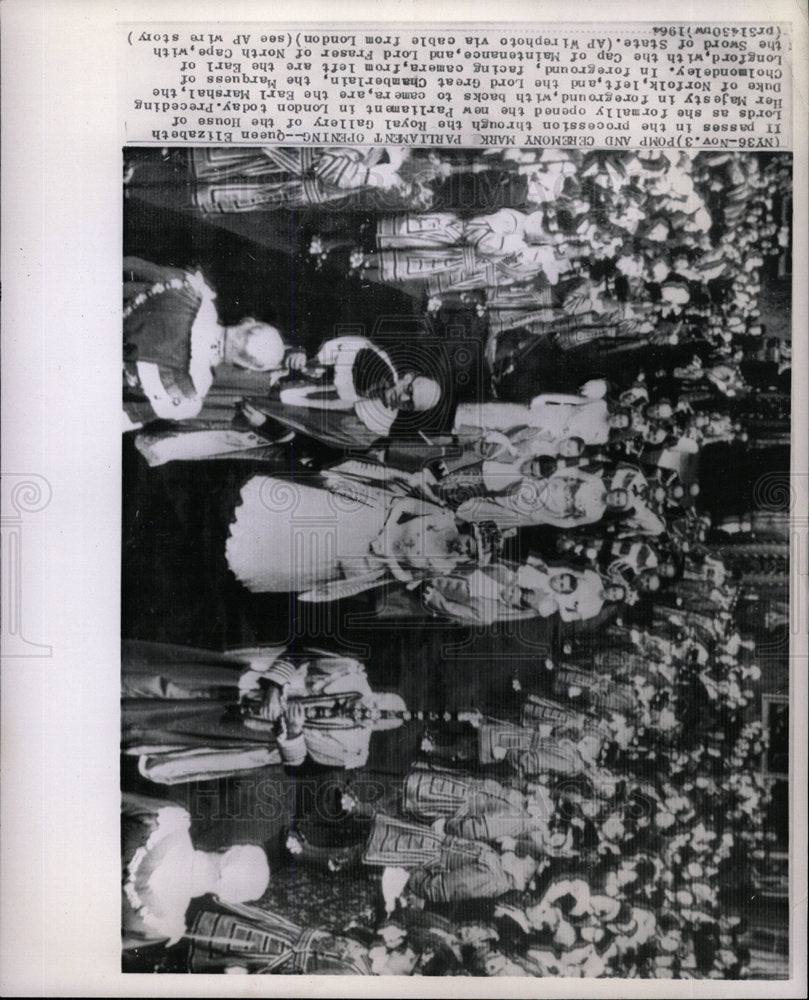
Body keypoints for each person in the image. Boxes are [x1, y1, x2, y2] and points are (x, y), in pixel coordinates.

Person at [121, 641, 406, 781]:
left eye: (373, 721)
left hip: (248, 732)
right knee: (175, 682)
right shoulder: (349, 672)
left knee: (169, 726)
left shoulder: (352, 751)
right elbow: (301, 649)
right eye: (374, 706)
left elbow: (300, 771)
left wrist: (293, 736)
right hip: (248, 682)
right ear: (376, 694)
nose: (366, 713)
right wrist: (273, 686)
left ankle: (119, 723)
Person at [224, 459, 481, 597]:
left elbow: (405, 577)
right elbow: (404, 506)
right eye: (468, 543)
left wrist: (388, 557)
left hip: (376, 558)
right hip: (376, 521)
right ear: (467, 532)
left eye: (468, 554)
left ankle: (252, 555)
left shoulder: (443, 566)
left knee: (317, 555)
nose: (463, 549)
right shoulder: (442, 518)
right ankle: (256, 522)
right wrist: (386, 535)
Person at [122, 256, 300, 429]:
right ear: (245, 370)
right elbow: (121, 417)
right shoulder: (189, 398)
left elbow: (127, 264)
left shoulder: (191, 288)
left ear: (247, 321)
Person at [239, 333, 444, 451]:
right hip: (255, 375)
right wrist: (301, 350)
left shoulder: (367, 435)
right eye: (408, 389)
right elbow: (319, 341)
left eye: (409, 403)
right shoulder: (372, 357)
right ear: (408, 376)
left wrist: (265, 425)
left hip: (250, 420)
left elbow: (308, 447)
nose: (402, 397)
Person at [121, 792, 270, 949]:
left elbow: (109, 798)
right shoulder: (166, 927)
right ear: (225, 898)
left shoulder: (172, 819)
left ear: (226, 849)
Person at [186, 898, 417, 975]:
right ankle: (190, 915)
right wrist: (375, 942)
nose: (405, 952)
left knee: (227, 945)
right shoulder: (377, 955)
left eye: (410, 960)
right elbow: (350, 932)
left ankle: (182, 938)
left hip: (283, 955)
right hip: (290, 934)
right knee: (233, 921)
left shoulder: (358, 977)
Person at [423, 559, 624, 625]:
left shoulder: (592, 608)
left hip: (533, 598)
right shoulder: (593, 579)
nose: (611, 594)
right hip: (518, 581)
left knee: (484, 612)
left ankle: (437, 595)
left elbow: (565, 615)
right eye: (614, 590)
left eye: (614, 597)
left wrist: (435, 598)